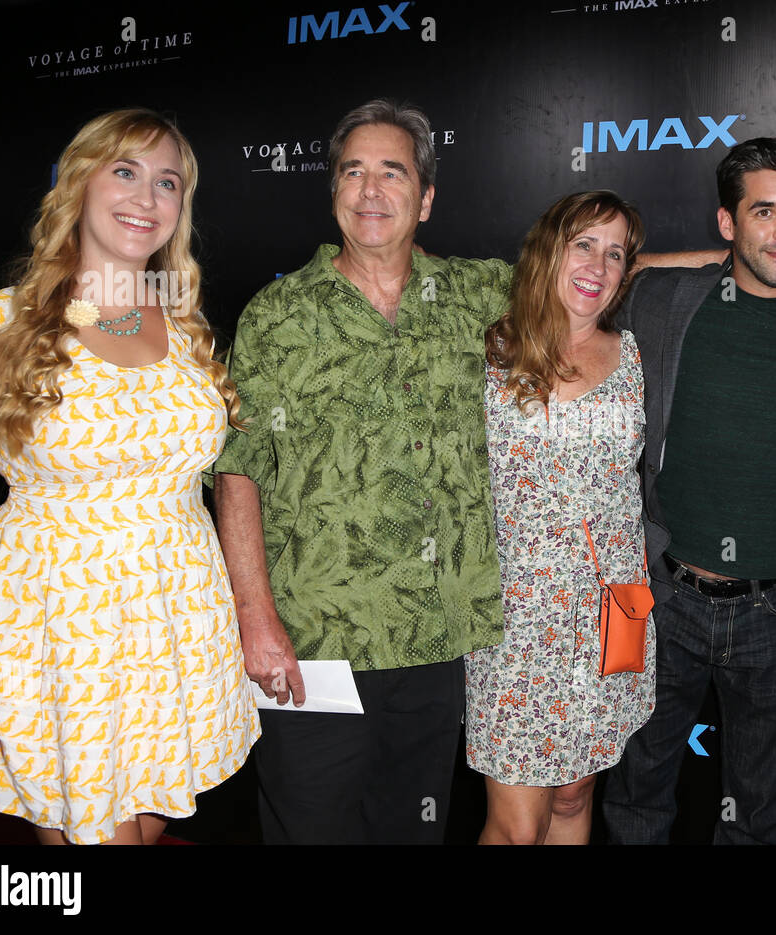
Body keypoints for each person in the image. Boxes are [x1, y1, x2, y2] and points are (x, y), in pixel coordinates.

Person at [0, 108, 259, 845]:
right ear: (77, 184)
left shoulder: (183, 327)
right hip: (58, 631)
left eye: (166, 182)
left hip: (175, 625)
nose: (147, 197)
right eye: (125, 171)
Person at [213, 99, 516, 845]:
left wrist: (726, 263)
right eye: (353, 172)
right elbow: (239, 468)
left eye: (393, 172)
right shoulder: (277, 314)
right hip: (314, 636)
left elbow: (593, 276)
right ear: (333, 191)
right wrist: (255, 615)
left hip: (438, 637)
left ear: (428, 197)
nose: (371, 190)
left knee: (411, 827)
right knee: (311, 828)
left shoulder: (482, 295)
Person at [603, 137, 776, 845]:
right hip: (657, 594)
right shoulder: (662, 302)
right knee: (635, 790)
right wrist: (682, 263)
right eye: (763, 212)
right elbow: (598, 272)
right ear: (727, 223)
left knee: (758, 810)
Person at [465, 191, 653, 844]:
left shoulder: (630, 352)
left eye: (616, 253)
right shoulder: (487, 346)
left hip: (610, 609)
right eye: (584, 244)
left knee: (574, 797)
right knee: (516, 825)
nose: (599, 265)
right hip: (516, 622)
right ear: (551, 248)